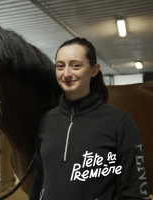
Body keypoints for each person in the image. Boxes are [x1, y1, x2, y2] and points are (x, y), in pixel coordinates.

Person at [29, 37, 150, 200]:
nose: (66, 73)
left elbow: (135, 190)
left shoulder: (120, 122)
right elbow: (39, 179)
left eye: (75, 65)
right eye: (60, 66)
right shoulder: (45, 121)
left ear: (94, 70)